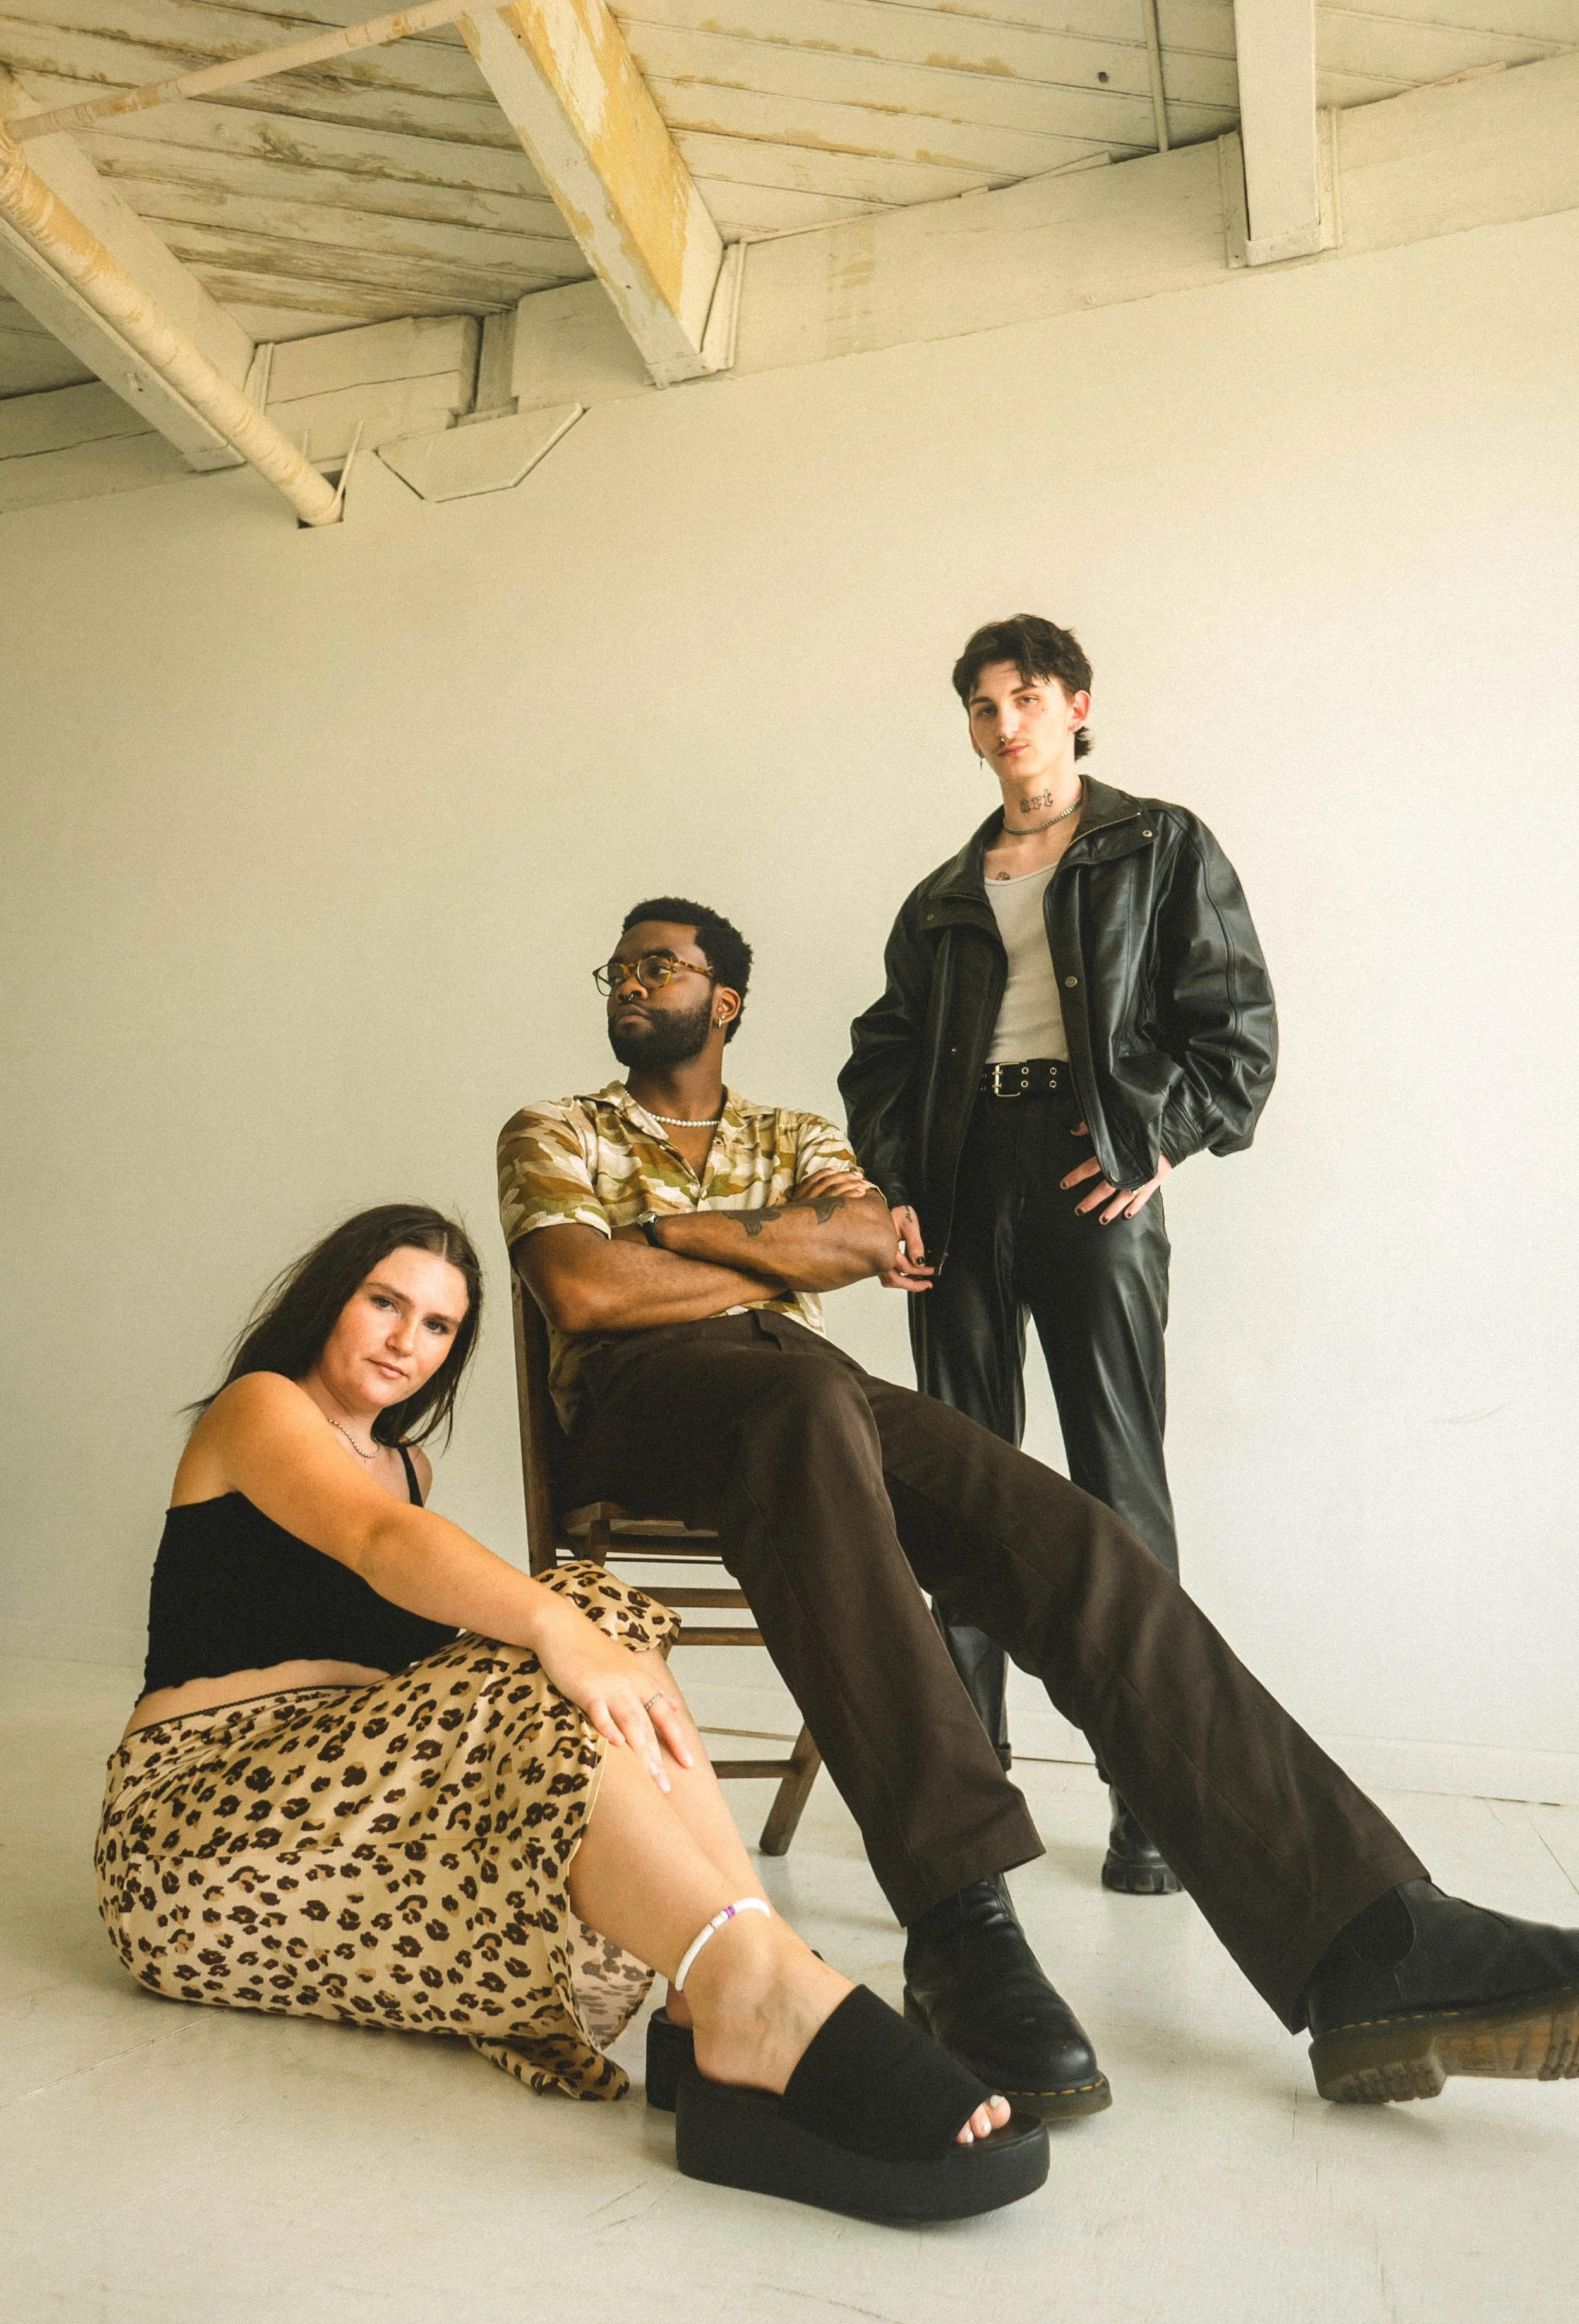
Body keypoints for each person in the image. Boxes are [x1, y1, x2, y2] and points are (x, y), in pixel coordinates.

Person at [499, 897, 1579, 2126]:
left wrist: (671, 1232)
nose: (630, 982)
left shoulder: (791, 1127)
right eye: (619, 967)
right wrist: (768, 1249)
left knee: (1061, 1535)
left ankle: (1374, 1943)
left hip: (808, 1392)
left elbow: (864, 1234)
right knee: (800, 1414)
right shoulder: (555, 1127)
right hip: (647, 1402)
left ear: (723, 999)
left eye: (659, 964)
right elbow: (581, 1287)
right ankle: (960, 1923)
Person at [95, 1202, 1052, 2226]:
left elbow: (437, 1625)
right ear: (332, 1297)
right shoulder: (260, 1408)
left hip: (338, 1826)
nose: (404, 1341)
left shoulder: (411, 1468)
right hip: (194, 1835)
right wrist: (555, 1628)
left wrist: (562, 1644)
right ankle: (754, 1988)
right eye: (385, 1302)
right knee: (568, 1617)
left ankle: (730, 1980)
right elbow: (376, 1542)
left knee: (584, 1630)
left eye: (437, 1327)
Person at [840, 613, 1277, 1898]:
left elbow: (1234, 1034)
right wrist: (900, 1191)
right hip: (965, 1179)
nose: (1002, 724)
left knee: (1115, 1488)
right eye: (980, 706)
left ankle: (1155, 1805)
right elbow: (881, 1056)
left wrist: (1159, 1140)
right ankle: (969, 1810)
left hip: (1092, 1182)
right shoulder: (939, 897)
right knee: (955, 1488)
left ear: (1075, 704)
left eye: (1023, 697)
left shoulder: (1158, 846)